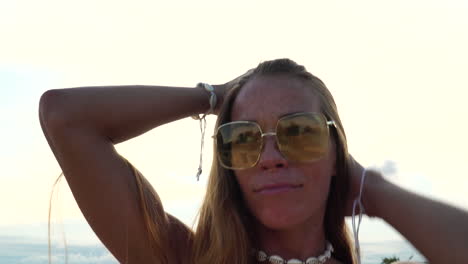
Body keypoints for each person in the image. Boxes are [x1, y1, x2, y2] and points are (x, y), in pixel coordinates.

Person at [39, 59, 468, 264]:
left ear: (338, 152)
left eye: (299, 132)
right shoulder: (181, 258)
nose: (270, 157)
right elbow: (66, 117)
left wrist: (368, 189)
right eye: (242, 138)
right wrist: (212, 97)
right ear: (228, 163)